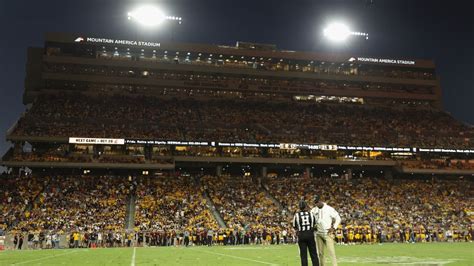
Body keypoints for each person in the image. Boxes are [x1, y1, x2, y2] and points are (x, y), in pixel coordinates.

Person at [311, 195, 341, 266]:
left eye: (317, 202)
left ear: (320, 200)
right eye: (315, 203)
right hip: (318, 234)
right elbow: (311, 220)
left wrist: (334, 228)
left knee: (331, 252)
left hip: (328, 233)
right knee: (320, 253)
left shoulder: (329, 209)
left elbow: (338, 218)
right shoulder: (313, 210)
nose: (316, 204)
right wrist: (313, 226)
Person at [293, 199, 319, 266]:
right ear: (306, 206)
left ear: (299, 207)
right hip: (310, 234)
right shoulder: (311, 213)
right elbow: (314, 224)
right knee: (313, 254)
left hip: (301, 235)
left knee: (303, 255)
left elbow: (294, 226)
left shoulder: (296, 215)